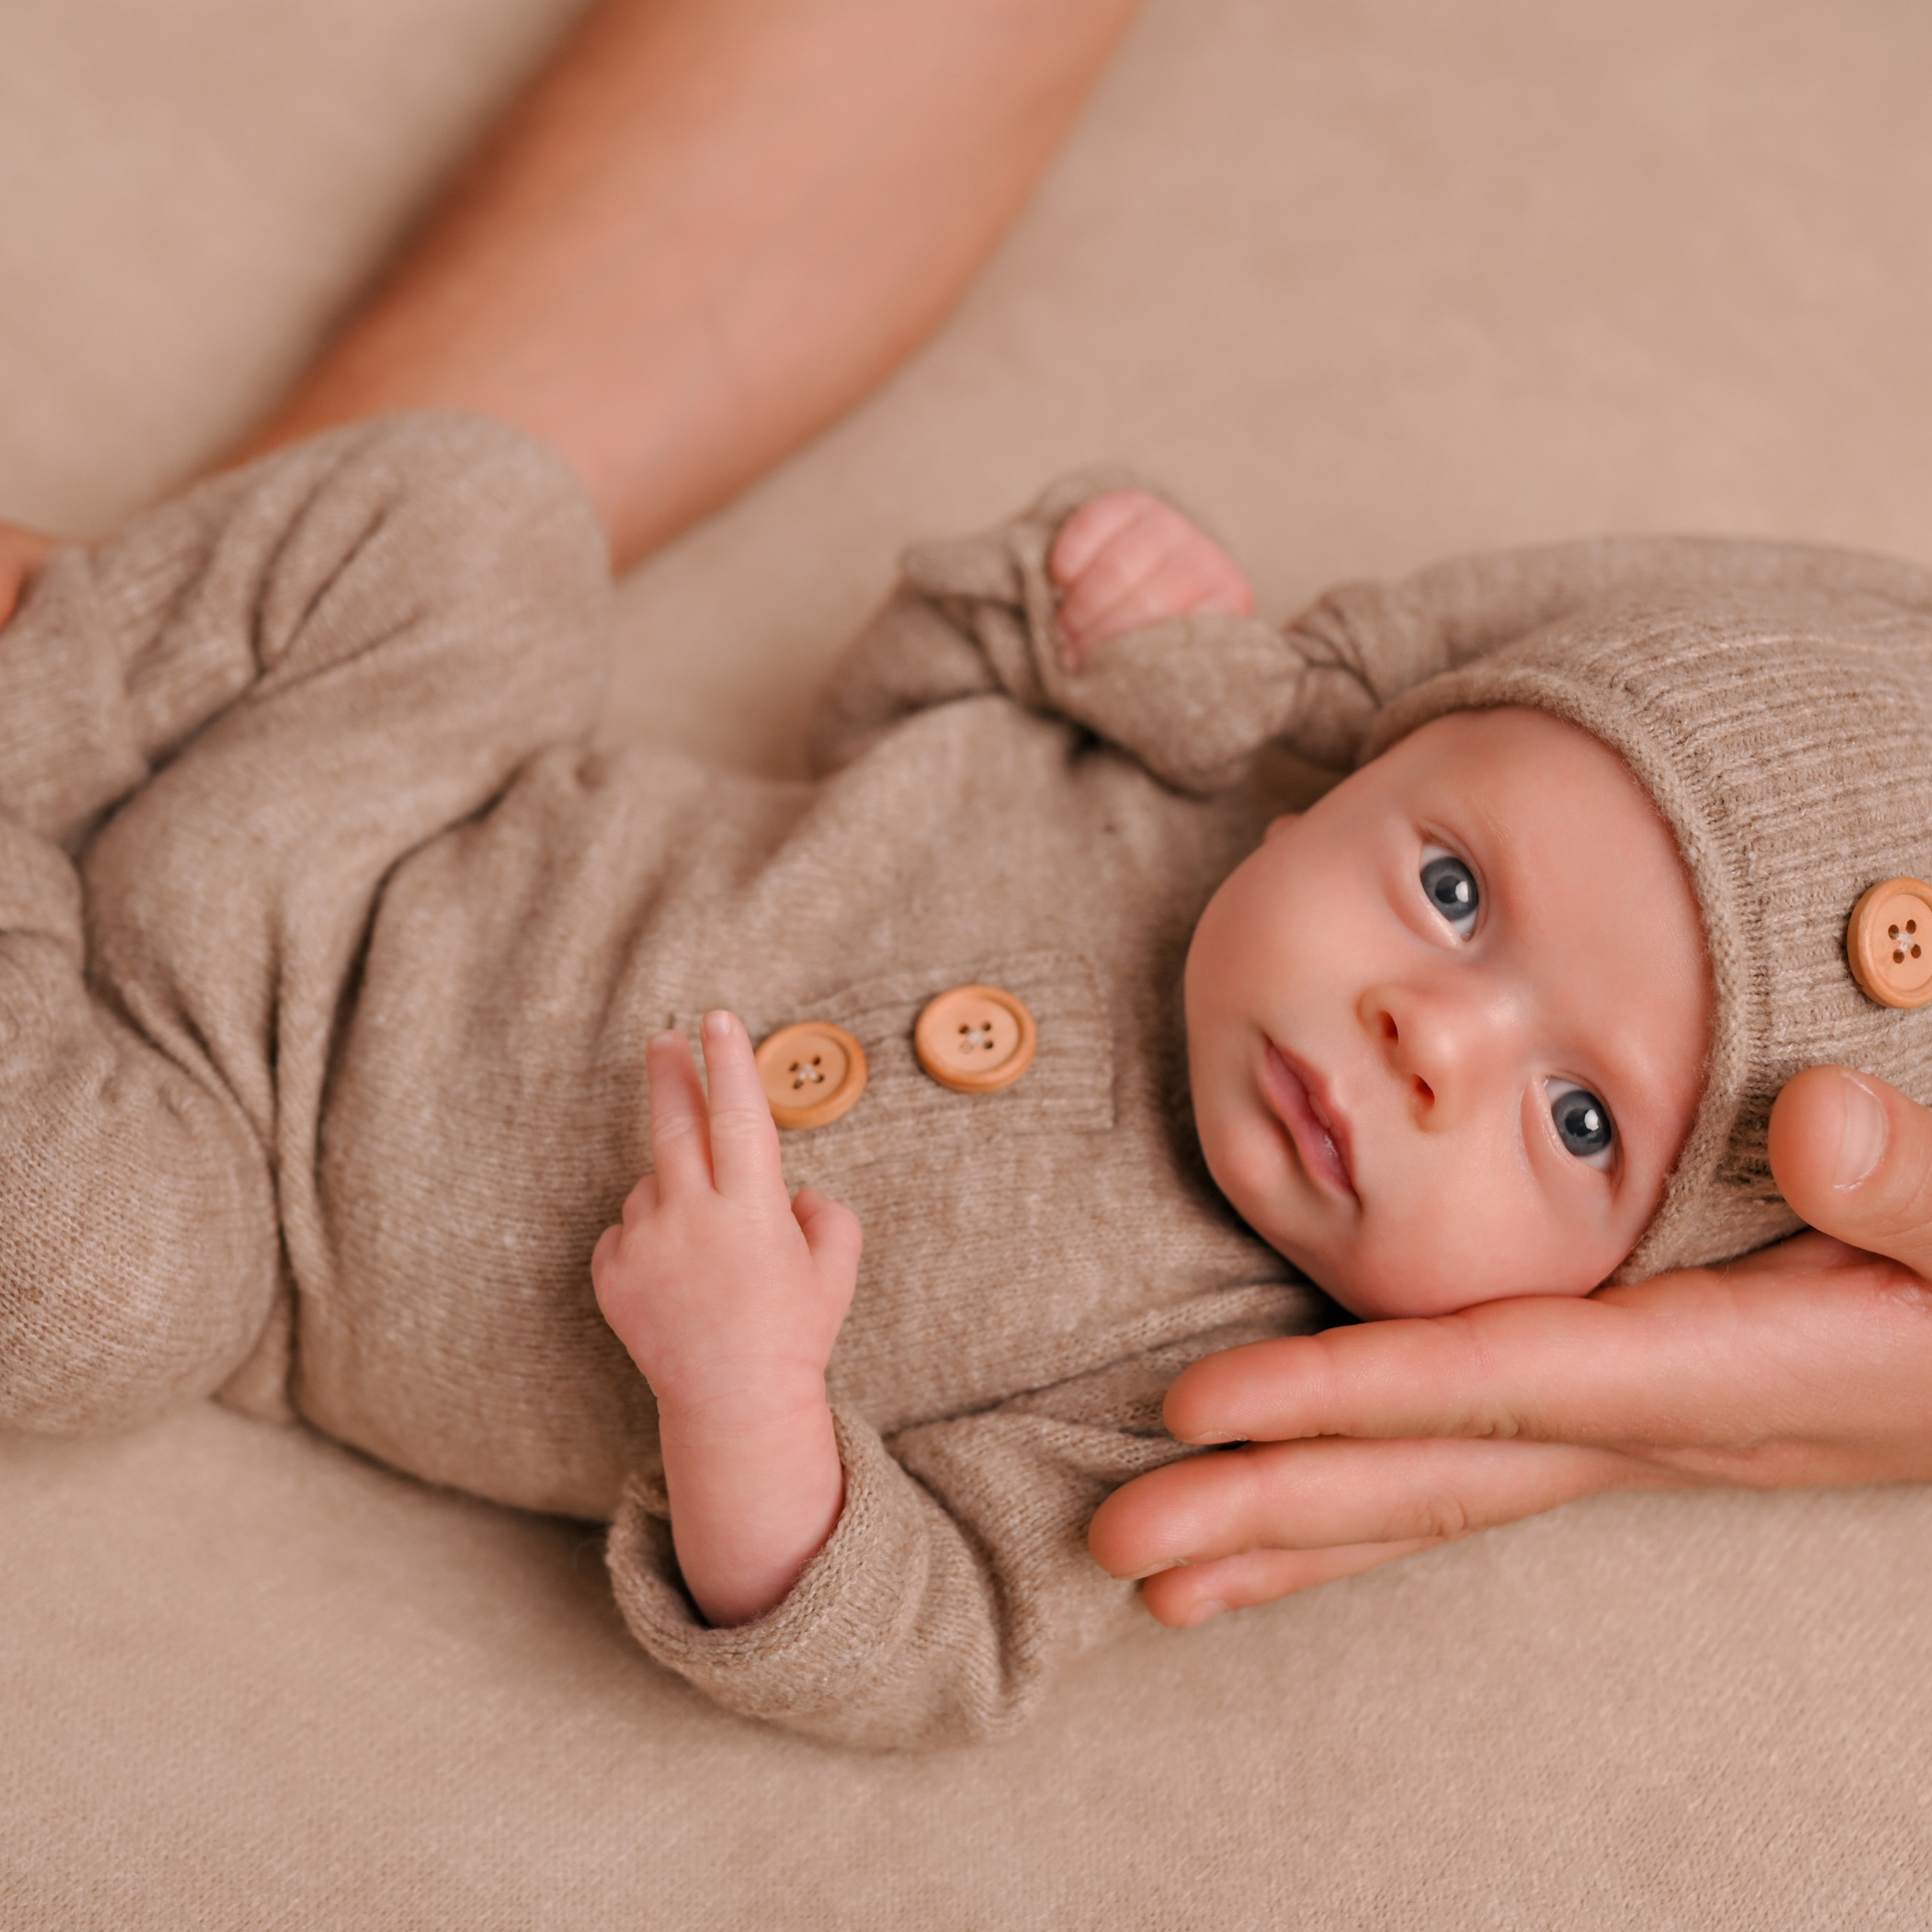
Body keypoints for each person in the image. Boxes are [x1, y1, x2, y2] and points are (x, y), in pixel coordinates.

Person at [5, 408, 1932, 1751]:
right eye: (1449, 890)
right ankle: (43, 716)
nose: (1431, 1039)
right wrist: (1087, 608)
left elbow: (922, 1645)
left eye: (1577, 1119)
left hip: (232, 1183)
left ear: (1610, 1306)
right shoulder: (1171, 799)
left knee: (86, 1296)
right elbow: (895, 699)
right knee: (485, 506)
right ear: (1347, 779)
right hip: (406, 803)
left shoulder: (1216, 1391)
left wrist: (743, 1395)